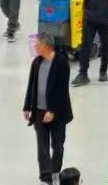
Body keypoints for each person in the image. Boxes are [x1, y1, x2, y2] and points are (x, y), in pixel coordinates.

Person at [22, 34, 73, 185]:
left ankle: (55, 172)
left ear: (46, 46)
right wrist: (27, 106)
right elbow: (31, 85)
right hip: (39, 110)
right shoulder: (37, 62)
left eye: (37, 44)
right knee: (42, 146)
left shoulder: (61, 62)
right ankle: (45, 176)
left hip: (58, 112)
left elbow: (62, 90)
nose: (35, 47)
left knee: (57, 145)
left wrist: (52, 111)